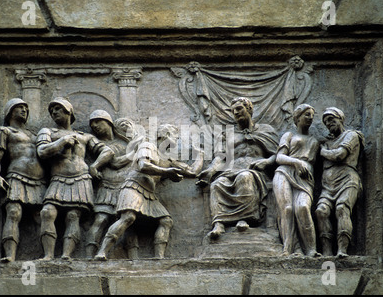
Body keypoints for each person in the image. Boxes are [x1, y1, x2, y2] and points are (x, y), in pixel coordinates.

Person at [94, 124, 204, 260]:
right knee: (128, 217)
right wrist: (166, 172)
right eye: (175, 135)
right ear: (165, 136)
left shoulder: (168, 160)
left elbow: (192, 172)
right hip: (134, 187)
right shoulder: (147, 146)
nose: (177, 139)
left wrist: (200, 155)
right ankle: (102, 252)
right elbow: (143, 165)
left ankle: (159, 258)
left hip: (149, 194)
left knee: (166, 221)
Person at [36, 97, 111, 260]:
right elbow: (41, 151)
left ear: (68, 111)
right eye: (51, 110)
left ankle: (66, 255)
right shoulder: (48, 132)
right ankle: (48, 255)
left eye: (58, 108)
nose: (54, 112)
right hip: (58, 178)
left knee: (73, 216)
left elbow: (107, 151)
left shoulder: (83, 136)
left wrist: (95, 166)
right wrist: (61, 142)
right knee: (47, 212)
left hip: (81, 178)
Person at [196, 97, 278, 239]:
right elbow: (221, 158)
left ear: (249, 109)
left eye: (239, 109)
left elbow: (278, 154)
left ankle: (244, 218)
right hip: (231, 170)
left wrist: (267, 162)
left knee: (244, 177)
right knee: (217, 184)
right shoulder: (229, 135)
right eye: (233, 111)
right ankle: (219, 223)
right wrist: (210, 171)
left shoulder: (266, 130)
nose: (236, 112)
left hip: (255, 171)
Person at [0, 98, 46, 262]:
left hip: (39, 180)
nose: (24, 110)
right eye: (19, 107)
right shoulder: (4, 131)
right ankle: (10, 255)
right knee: (13, 213)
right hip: (16, 176)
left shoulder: (34, 134)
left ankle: (48, 255)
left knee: (42, 216)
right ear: (10, 111)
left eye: (26, 108)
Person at [86, 111, 143, 259]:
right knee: (101, 219)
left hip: (126, 187)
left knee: (129, 223)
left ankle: (134, 259)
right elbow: (115, 163)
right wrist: (135, 150)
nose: (95, 126)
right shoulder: (99, 145)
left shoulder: (124, 143)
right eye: (92, 124)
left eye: (98, 122)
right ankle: (88, 255)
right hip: (107, 186)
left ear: (109, 123)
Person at [315, 107, 364, 258]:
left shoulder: (351, 135)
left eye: (331, 119)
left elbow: (339, 155)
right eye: (326, 122)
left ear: (340, 118)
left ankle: (342, 250)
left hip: (347, 179)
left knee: (342, 208)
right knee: (321, 212)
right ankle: (327, 251)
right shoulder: (327, 142)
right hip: (328, 185)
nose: (329, 123)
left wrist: (322, 151)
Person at [273, 104, 320, 257]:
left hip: (305, 177)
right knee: (287, 209)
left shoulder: (315, 141)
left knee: (303, 208)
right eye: (307, 114)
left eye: (312, 115)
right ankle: (289, 248)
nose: (310, 118)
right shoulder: (289, 136)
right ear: (297, 117)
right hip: (284, 172)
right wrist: (296, 162)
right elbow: (279, 157)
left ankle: (311, 249)